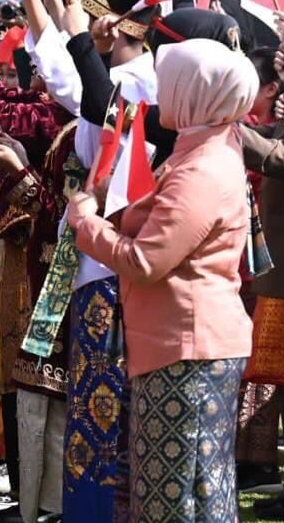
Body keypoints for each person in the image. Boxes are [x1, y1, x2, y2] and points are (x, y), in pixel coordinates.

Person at [70, 39, 259, 522]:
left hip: (188, 349)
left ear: (192, 93)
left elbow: (146, 261)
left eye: (169, 81)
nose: (160, 91)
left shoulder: (202, 169)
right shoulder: (204, 150)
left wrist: (86, 225)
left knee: (176, 497)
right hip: (178, 343)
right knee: (180, 488)